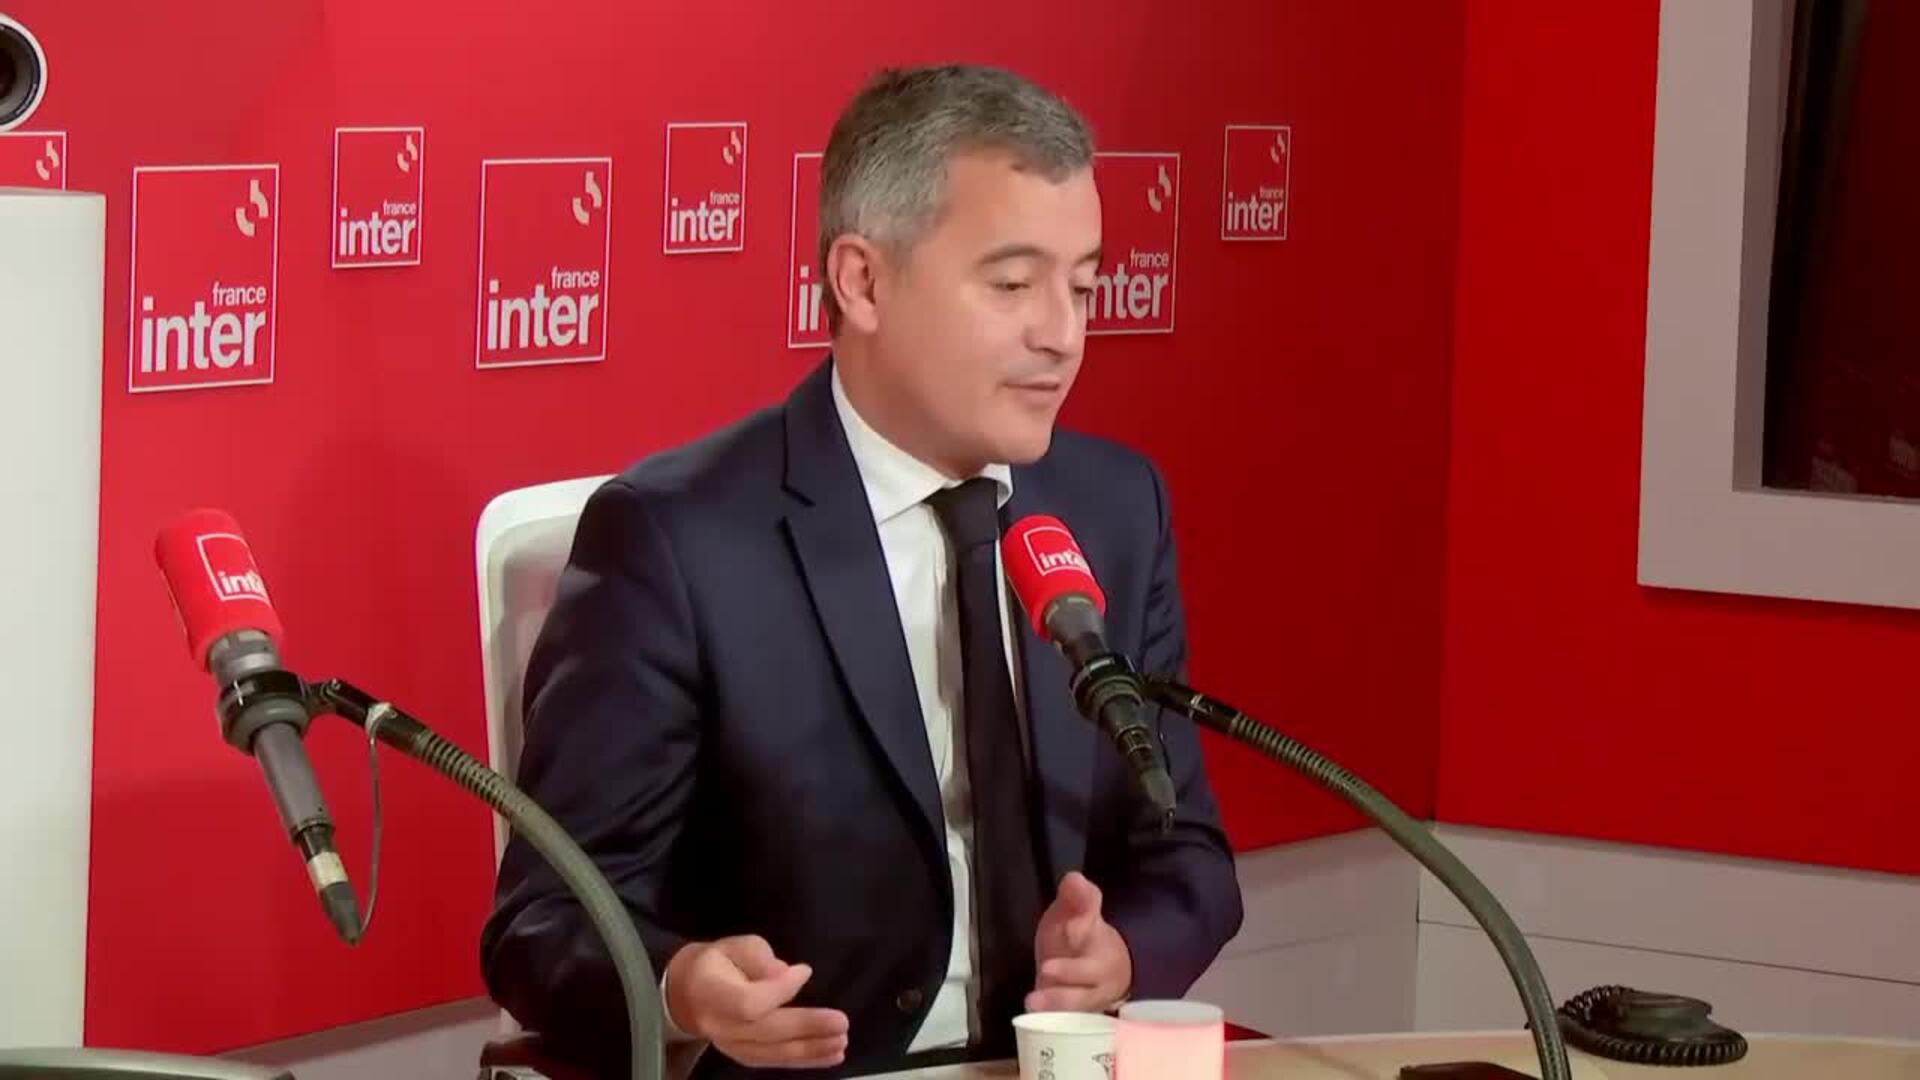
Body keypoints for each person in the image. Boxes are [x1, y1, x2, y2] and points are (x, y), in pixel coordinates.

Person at [480, 63, 1243, 1079]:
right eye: (1013, 285)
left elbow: (1187, 856)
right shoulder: (679, 543)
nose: (1062, 335)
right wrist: (682, 984)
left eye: (1083, 285)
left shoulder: (1113, 510)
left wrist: (1123, 954)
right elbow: (542, 924)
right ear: (863, 281)